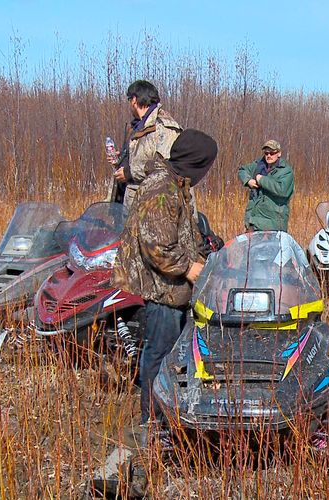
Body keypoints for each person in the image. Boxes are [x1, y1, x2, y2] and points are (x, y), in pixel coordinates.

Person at [111, 129, 218, 442]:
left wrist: (210, 250)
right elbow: (158, 246)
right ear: (195, 163)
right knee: (160, 355)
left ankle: (173, 414)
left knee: (177, 353)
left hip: (174, 287)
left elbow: (182, 234)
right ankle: (154, 422)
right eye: (205, 166)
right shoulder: (161, 189)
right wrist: (190, 267)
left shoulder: (175, 185)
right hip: (162, 289)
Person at [109, 80, 182, 208]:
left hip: (152, 208)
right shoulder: (137, 126)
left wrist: (130, 173)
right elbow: (143, 157)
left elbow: (167, 168)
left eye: (129, 100)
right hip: (129, 205)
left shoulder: (164, 127)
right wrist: (121, 160)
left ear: (134, 100)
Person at [238, 139, 294, 231]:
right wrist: (248, 181)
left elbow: (282, 190)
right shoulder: (258, 165)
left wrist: (261, 180)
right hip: (253, 221)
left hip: (273, 224)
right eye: (266, 153)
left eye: (272, 153)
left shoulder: (286, 171)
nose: (268, 156)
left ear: (279, 153)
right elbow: (242, 170)